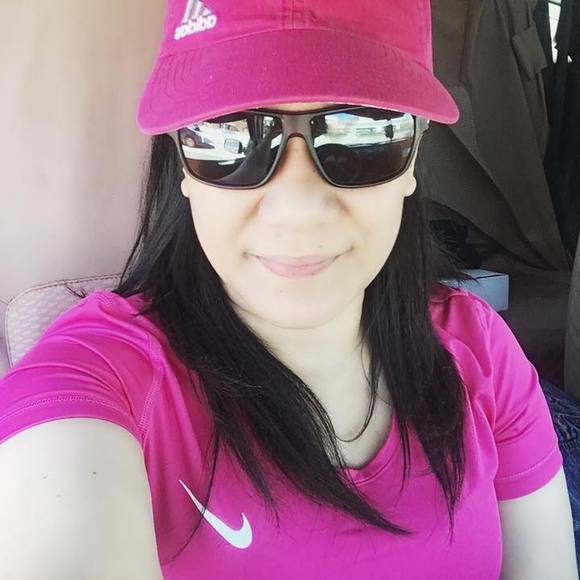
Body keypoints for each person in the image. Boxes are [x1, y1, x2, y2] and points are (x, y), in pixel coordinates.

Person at [0, 1, 577, 579]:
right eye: (232, 135)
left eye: (362, 133)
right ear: (181, 164)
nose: (298, 207)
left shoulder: (481, 347)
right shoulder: (102, 376)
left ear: (412, 160)